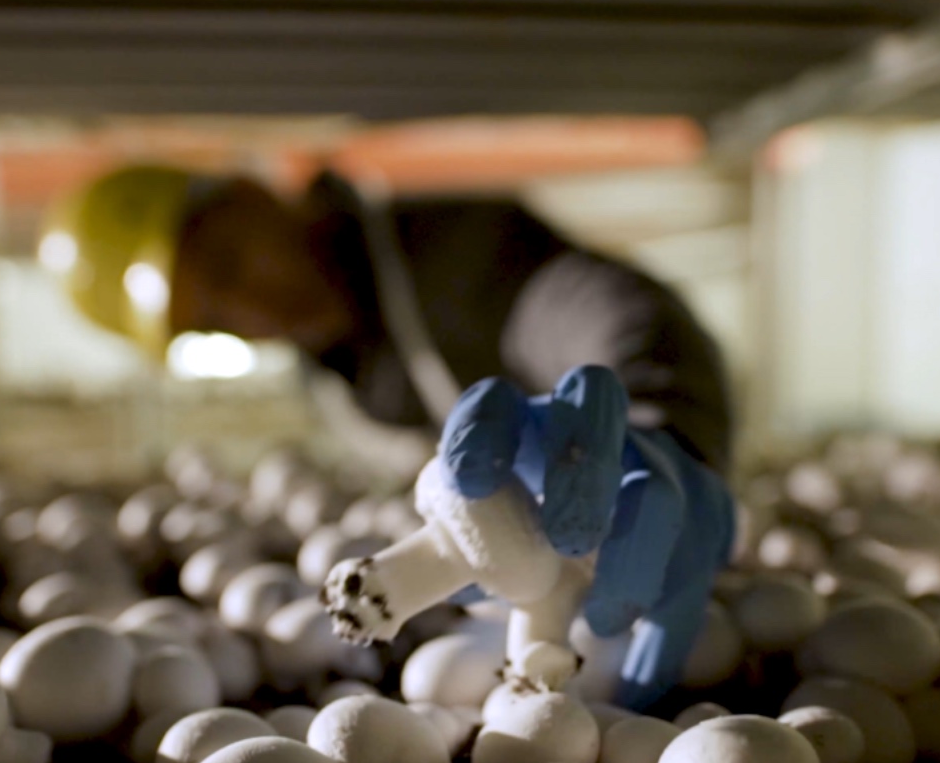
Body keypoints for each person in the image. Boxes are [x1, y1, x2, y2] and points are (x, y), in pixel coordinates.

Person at [39, 164, 736, 710]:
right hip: (532, 591)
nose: (252, 311)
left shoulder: (454, 248)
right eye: (214, 320)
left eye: (226, 267)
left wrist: (660, 433)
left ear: (252, 196)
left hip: (624, 546)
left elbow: (610, 309)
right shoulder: (329, 377)